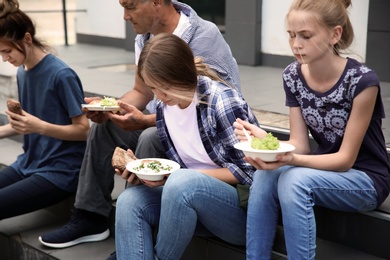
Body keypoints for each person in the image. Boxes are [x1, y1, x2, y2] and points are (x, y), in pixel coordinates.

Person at [39, 0, 242, 249]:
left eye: (131, 6)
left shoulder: (204, 36)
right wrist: (113, 109)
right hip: (171, 131)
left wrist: (146, 121)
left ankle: (143, 230)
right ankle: (91, 217)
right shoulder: (144, 39)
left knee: (148, 136)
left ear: (157, 2)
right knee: (104, 128)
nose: (125, 16)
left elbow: (216, 111)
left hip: (204, 147)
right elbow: (141, 92)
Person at [233, 0, 390, 259]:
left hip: (366, 178)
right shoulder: (292, 76)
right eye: (292, 35)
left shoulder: (362, 82)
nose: (296, 44)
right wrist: (267, 140)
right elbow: (300, 144)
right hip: (321, 169)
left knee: (293, 180)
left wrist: (291, 160)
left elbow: (345, 159)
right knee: (264, 175)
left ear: (334, 34)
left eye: (305, 36)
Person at [115, 32, 258, 260]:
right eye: (153, 89)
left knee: (183, 181)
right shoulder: (165, 106)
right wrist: (145, 171)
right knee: (129, 201)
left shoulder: (221, 102)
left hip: (239, 213)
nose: (158, 97)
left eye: (163, 88)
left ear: (181, 74)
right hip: (184, 204)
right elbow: (179, 175)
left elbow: (251, 172)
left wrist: (183, 178)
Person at [0, 0, 89, 220]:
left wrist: (40, 127)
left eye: (7, 50)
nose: (4, 58)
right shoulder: (22, 71)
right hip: (29, 162)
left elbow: (84, 130)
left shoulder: (61, 75)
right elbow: (27, 124)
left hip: (61, 171)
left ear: (27, 39)